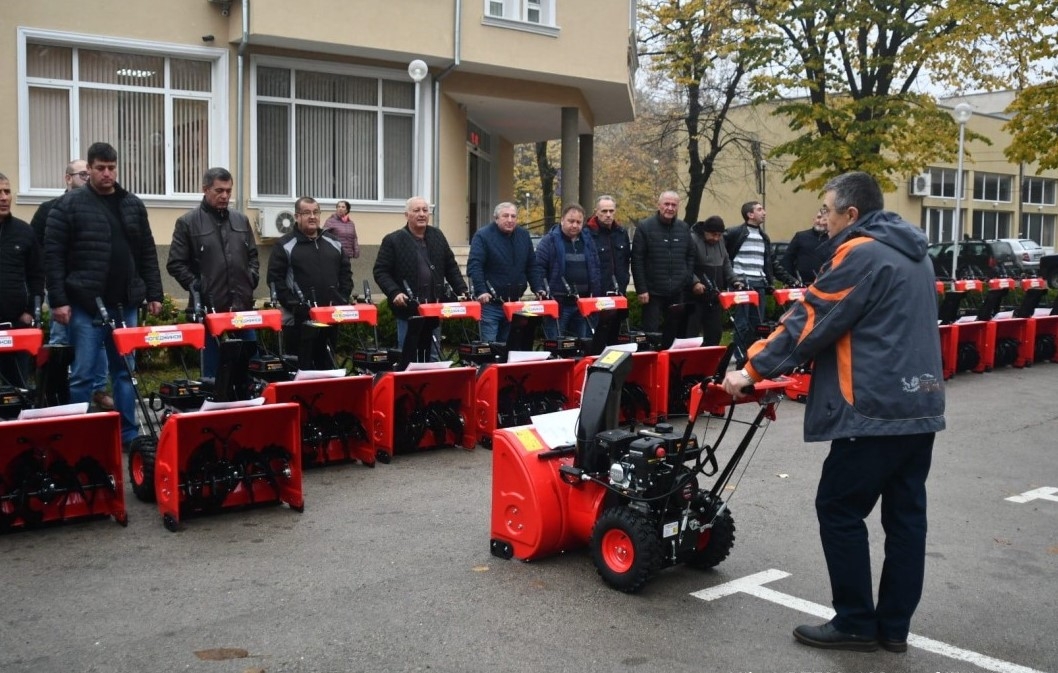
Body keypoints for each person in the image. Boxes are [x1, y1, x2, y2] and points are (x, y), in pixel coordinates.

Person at [722, 171, 945, 654]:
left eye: (827, 210)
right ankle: (893, 629)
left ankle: (856, 622)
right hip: (920, 404)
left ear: (852, 213)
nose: (821, 220)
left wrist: (751, 370)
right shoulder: (916, 254)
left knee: (838, 507)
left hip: (873, 408)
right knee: (906, 519)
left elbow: (811, 319)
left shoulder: (861, 253)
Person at [44, 142, 165, 449]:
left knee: (125, 372)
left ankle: (128, 436)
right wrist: (58, 300)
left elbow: (147, 251)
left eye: (111, 168)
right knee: (83, 374)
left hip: (126, 304)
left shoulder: (132, 204)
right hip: (85, 304)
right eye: (100, 168)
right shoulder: (69, 205)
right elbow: (53, 256)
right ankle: (78, 437)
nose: (107, 174)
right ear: (89, 170)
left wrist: (154, 292)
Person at [30, 159, 112, 409]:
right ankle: (55, 393)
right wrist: (52, 284)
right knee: (60, 341)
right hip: (62, 289)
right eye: (82, 175)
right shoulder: (49, 209)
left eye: (89, 174)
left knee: (98, 342)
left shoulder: (100, 206)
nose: (88, 179)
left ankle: (97, 390)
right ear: (68, 178)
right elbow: (36, 250)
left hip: (93, 291)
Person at [166, 167, 260, 380]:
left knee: (251, 370)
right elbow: (176, 263)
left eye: (228, 191)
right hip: (208, 312)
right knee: (213, 375)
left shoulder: (241, 220)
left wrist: (251, 277)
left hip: (242, 309)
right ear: (205, 189)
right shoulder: (188, 222)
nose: (225, 196)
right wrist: (198, 286)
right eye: (219, 190)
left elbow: (252, 256)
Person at [373, 196, 467, 359]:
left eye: (425, 210)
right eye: (416, 210)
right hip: (408, 310)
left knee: (433, 356)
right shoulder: (393, 240)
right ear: (406, 215)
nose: (422, 214)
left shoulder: (437, 235)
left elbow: (451, 266)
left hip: (434, 308)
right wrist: (395, 292)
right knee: (408, 357)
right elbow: (381, 271)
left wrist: (462, 290)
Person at [267, 196, 352, 362]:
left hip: (330, 319)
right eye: (307, 213)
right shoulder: (284, 245)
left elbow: (346, 274)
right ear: (297, 216)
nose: (312, 217)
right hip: (298, 323)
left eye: (316, 212)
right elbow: (275, 280)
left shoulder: (334, 242)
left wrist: (341, 299)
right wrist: (296, 307)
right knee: (300, 371)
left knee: (327, 369)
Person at [467, 202, 544, 343]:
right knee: (490, 348)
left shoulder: (523, 235)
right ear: (496, 218)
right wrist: (481, 291)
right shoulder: (483, 236)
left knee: (510, 347)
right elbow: (475, 265)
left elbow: (532, 265)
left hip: (515, 303)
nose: (510, 220)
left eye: (513, 216)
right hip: (491, 305)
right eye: (505, 216)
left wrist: (538, 287)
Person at [630, 191, 702, 333]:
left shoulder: (683, 228)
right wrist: (641, 289)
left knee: (675, 332)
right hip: (652, 292)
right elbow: (637, 260)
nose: (670, 208)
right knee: (651, 333)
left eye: (673, 205)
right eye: (666, 204)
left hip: (677, 291)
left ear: (678, 207)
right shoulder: (645, 227)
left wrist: (687, 277)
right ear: (659, 205)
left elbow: (690, 255)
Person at [0, 172, 45, 388]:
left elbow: (37, 275)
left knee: (17, 390)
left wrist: (30, 311)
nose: (4, 197)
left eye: (7, 191)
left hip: (17, 326)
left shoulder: (24, 231)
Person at [724, 200, 779, 366]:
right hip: (742, 283)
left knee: (758, 324)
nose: (764, 212)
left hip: (760, 283)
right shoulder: (735, 232)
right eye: (760, 209)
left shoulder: (764, 236)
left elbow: (770, 262)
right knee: (742, 322)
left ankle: (753, 355)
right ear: (750, 214)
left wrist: (772, 281)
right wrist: (732, 278)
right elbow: (723, 255)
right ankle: (740, 355)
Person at [535, 204, 601, 338]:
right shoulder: (549, 241)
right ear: (562, 220)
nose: (575, 225)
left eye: (578, 222)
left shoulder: (588, 241)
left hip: (583, 303)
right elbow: (538, 268)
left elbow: (596, 267)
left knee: (582, 344)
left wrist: (595, 292)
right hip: (559, 304)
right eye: (571, 221)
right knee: (557, 344)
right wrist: (542, 289)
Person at [690, 216, 737, 346]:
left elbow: (726, 262)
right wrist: (694, 282)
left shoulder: (720, 241)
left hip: (715, 295)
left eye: (719, 235)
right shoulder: (693, 239)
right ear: (705, 231)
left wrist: (734, 280)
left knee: (715, 333)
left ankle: (709, 356)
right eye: (713, 234)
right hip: (695, 296)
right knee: (691, 333)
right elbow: (686, 265)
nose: (716, 238)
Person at [585, 195, 630, 295]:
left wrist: (624, 280)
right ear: (596, 212)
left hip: (619, 290)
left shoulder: (622, 233)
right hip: (596, 292)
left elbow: (626, 261)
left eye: (611, 211)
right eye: (604, 211)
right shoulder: (587, 234)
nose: (608, 215)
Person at [782, 208, 831, 285]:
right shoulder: (800, 236)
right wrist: (791, 280)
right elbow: (787, 260)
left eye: (824, 219)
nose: (820, 221)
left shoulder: (833, 239)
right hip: (802, 285)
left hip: (825, 285)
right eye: (818, 217)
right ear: (813, 219)